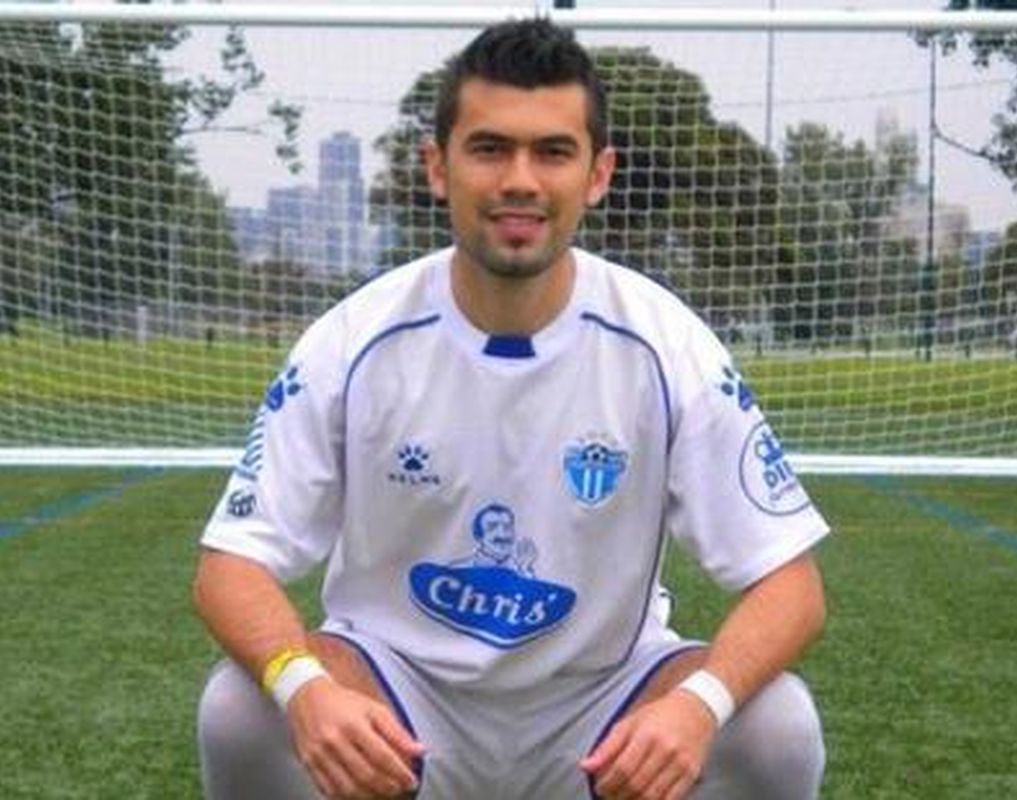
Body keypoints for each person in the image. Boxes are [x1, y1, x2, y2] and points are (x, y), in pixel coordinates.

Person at [195, 17, 830, 800]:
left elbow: (792, 585)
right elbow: (229, 566)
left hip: (598, 706)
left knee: (777, 728)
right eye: (490, 149)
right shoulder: (353, 341)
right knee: (240, 710)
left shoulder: (666, 345)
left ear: (598, 174)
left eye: (553, 152)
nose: (520, 180)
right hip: (398, 698)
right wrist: (304, 688)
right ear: (439, 167)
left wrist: (698, 706)